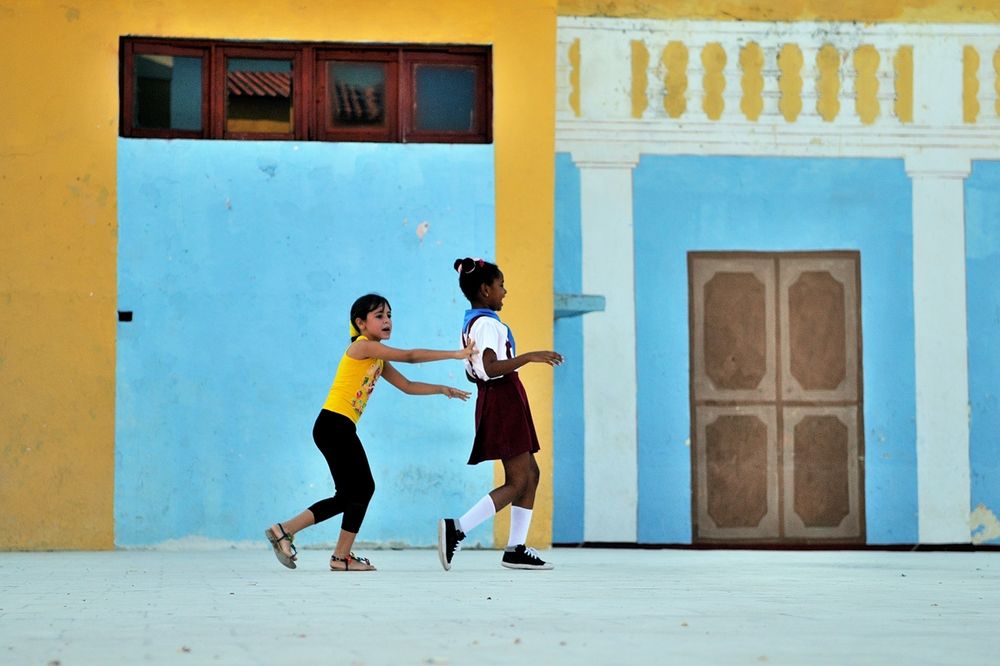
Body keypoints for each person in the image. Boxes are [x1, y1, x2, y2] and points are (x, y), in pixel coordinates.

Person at [266, 293, 475, 572]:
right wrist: (455, 354)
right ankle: (339, 556)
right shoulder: (362, 347)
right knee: (363, 488)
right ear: (361, 324)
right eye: (379, 316)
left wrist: (442, 389)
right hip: (334, 424)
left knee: (349, 494)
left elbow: (408, 385)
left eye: (389, 315)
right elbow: (410, 357)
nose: (387, 320)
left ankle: (288, 531)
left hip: (336, 426)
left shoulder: (376, 356)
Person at [438, 258, 563, 571]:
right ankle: (458, 528)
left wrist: (488, 376)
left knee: (530, 475)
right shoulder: (488, 323)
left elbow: (475, 372)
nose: (504, 292)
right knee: (518, 480)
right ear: (485, 289)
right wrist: (530, 357)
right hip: (503, 400)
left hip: (502, 398)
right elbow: (492, 368)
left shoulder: (472, 323)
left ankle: (516, 549)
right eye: (500, 285)